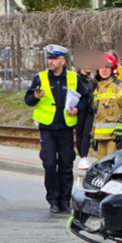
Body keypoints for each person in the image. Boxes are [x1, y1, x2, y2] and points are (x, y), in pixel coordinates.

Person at [24, 44, 86, 214]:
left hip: (65, 126)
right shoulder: (40, 78)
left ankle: (65, 200)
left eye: (54, 58)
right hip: (47, 128)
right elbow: (28, 99)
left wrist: (78, 109)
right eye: (49, 58)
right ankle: (53, 200)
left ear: (63, 61)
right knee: (50, 163)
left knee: (66, 164)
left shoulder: (74, 78)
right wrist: (35, 97)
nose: (50, 61)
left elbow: (85, 98)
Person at [92, 52, 122, 159]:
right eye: (102, 67)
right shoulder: (98, 89)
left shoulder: (120, 86)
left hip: (118, 137)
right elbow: (97, 114)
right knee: (102, 169)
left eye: (108, 67)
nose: (105, 69)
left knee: (115, 169)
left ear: (113, 69)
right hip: (102, 137)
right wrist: (93, 134)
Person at [73, 58, 97, 169]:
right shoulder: (76, 78)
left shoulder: (93, 78)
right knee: (80, 133)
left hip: (90, 109)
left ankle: (84, 157)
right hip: (79, 109)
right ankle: (82, 156)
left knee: (87, 133)